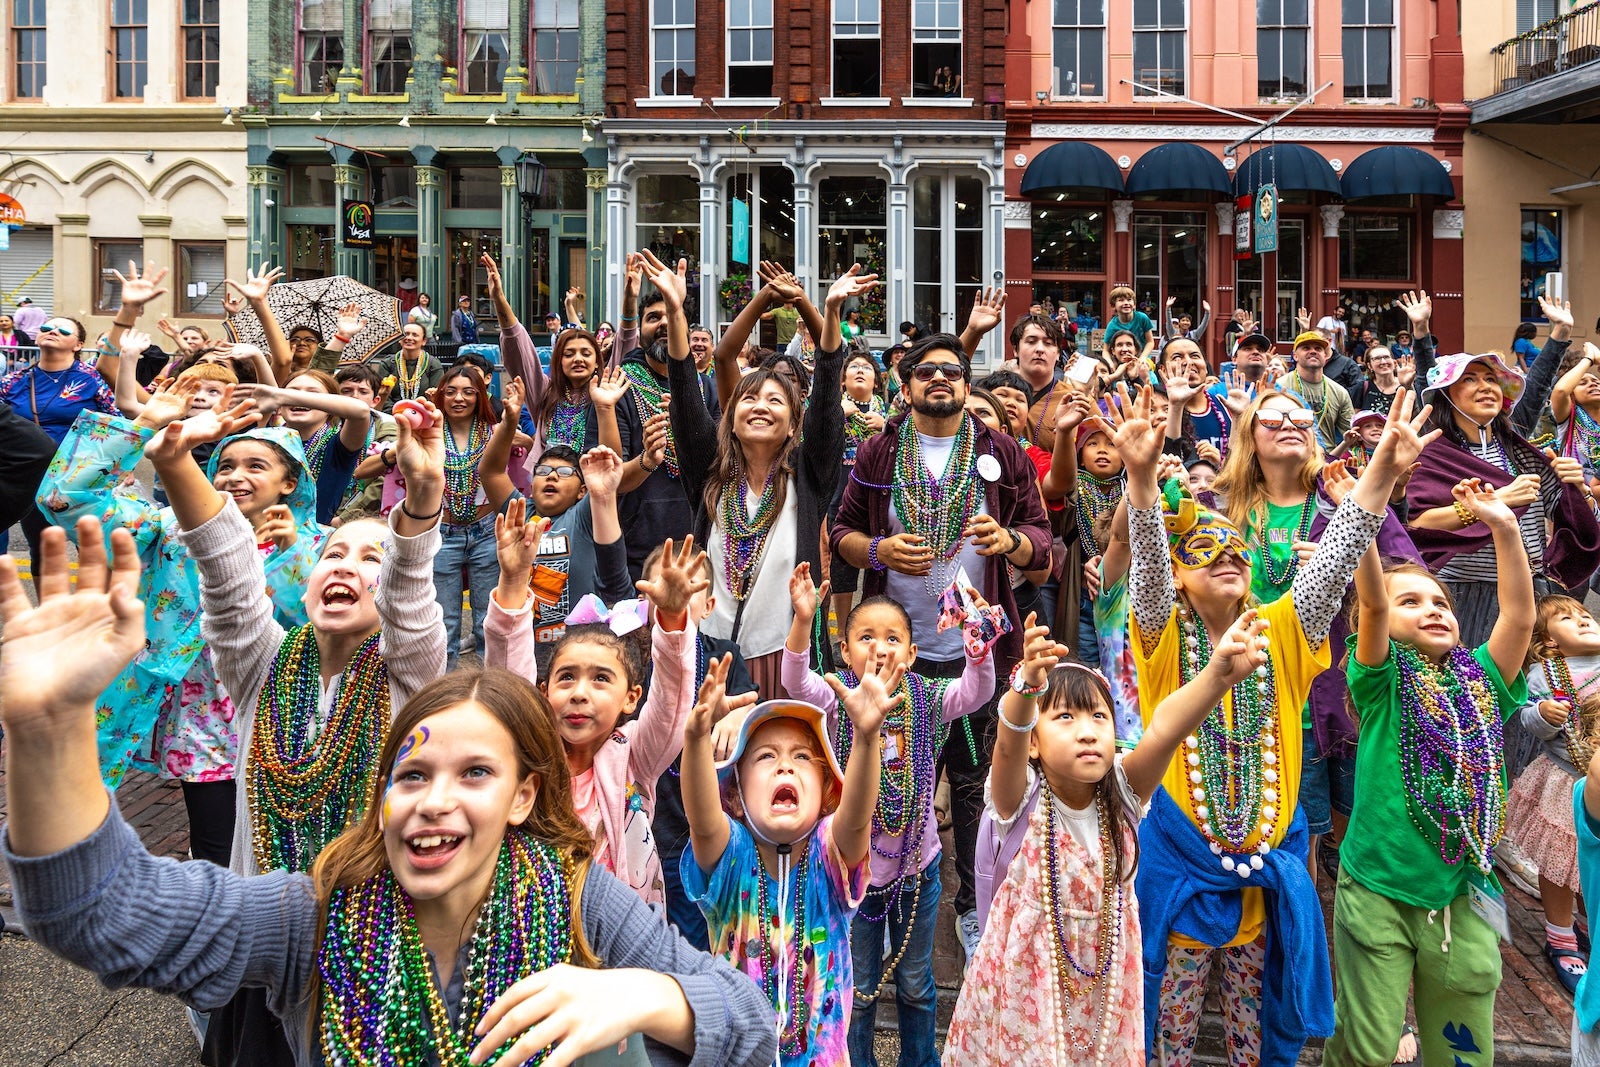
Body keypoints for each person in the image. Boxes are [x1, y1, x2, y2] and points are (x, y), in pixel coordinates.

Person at [0, 525, 780, 1067]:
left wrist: (643, 994)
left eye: (475, 772)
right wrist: (46, 730)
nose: (434, 798)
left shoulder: (581, 899)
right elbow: (103, 913)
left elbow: (751, 1027)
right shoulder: (308, 914)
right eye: (412, 773)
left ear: (521, 797)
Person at [1120, 383, 1431, 1067]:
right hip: (1181, 889)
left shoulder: (1281, 631)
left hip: (1262, 896)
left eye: (1237, 547)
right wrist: (1142, 479)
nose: (1229, 554)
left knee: (1260, 1047)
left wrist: (1378, 473)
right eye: (1205, 549)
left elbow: (1334, 562)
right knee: (1165, 1047)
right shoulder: (1162, 639)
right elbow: (1145, 572)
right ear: (1180, 578)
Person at [945, 607, 1271, 1065]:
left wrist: (1217, 677)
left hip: (1106, 988)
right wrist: (1026, 690)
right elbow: (1008, 742)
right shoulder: (1019, 800)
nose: (1087, 732)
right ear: (1035, 743)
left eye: (1099, 716)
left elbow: (1164, 729)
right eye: (1064, 718)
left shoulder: (1122, 796)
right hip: (1026, 988)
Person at [831, 331, 1053, 964]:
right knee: (891, 777)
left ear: (964, 383)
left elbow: (1043, 539)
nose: (939, 381)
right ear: (906, 386)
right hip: (895, 658)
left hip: (977, 654)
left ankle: (972, 909)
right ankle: (877, 896)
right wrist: (878, 550)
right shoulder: (878, 453)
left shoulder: (1000, 451)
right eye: (925, 371)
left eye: (951, 372)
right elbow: (842, 529)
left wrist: (1009, 542)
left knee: (977, 781)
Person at [36, 378, 322, 863]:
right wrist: (143, 424)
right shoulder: (168, 529)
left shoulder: (317, 544)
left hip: (268, 715)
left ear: (289, 483)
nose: (235, 476)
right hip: (185, 713)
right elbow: (66, 500)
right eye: (224, 465)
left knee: (258, 845)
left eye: (256, 466)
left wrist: (292, 553)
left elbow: (321, 622)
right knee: (198, 842)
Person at [1327, 480, 1534, 1067]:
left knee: (1465, 1047)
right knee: (1367, 1049)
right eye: (1410, 602)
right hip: (1379, 890)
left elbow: (1518, 617)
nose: (1433, 610)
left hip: (1461, 892)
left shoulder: (1483, 681)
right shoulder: (1381, 681)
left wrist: (1505, 529)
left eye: (1440, 602)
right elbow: (1369, 603)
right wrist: (1364, 520)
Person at [782, 572, 995, 1065]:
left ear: (913, 654)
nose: (880, 647)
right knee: (855, 987)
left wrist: (976, 645)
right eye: (866, 637)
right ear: (844, 651)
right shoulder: (837, 699)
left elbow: (976, 693)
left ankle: (919, 1060)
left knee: (917, 985)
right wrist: (802, 620)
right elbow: (796, 679)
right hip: (852, 877)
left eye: (893, 638)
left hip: (917, 874)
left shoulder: (927, 697)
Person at [680, 666, 898, 1067]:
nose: (785, 766)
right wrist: (695, 741)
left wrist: (867, 740)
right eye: (765, 757)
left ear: (828, 791)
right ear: (734, 796)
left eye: (802, 757)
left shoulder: (828, 858)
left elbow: (856, 819)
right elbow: (701, 818)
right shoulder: (733, 861)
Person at [668, 252, 861, 699]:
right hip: (710, 652)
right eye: (749, 400)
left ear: (794, 423)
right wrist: (678, 313)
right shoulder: (711, 476)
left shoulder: (808, 476)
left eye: (775, 401)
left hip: (787, 654)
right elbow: (684, 390)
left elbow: (829, 387)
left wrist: (824, 310)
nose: (759, 406)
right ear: (731, 416)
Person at [486, 533, 709, 907]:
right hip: (541, 926)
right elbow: (508, 688)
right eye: (566, 677)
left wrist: (671, 623)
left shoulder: (635, 754)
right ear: (543, 692)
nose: (579, 692)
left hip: (621, 938)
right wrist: (512, 582)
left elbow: (671, 700)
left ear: (631, 698)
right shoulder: (531, 753)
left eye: (601, 679)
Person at [1510, 595, 1600, 995]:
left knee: (1592, 865)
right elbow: (1527, 717)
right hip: (1564, 783)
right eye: (1567, 618)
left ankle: (1589, 927)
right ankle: (1560, 935)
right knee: (1561, 864)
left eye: (1585, 615)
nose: (1583, 620)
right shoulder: (1546, 673)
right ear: (1550, 643)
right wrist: (1543, 713)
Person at [482, 439, 633, 671]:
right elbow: (490, 471)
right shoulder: (519, 512)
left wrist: (604, 410)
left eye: (564, 472)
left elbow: (605, 486)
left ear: (582, 491)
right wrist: (510, 418)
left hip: (577, 652)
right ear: (531, 484)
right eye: (543, 472)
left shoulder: (582, 515)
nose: (551, 477)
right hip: (525, 654)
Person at [0, 313, 118, 581]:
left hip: (80, 479)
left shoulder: (91, 379)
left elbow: (116, 424)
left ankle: (92, 615)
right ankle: (47, 616)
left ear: (78, 345)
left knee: (90, 550)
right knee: (42, 549)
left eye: (63, 331)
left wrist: (120, 469)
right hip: (33, 480)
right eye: (46, 327)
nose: (52, 331)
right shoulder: (13, 381)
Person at [1281, 330, 1354, 452]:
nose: (1313, 351)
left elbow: (1349, 434)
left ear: (1325, 356)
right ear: (1295, 356)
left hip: (1328, 457)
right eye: (1306, 348)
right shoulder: (1281, 386)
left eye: (1318, 348)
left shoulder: (1340, 392)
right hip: (1291, 454)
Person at [365, 320, 444, 410]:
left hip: (423, 414)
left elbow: (436, 395)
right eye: (406, 334)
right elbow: (381, 395)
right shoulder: (388, 363)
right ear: (399, 339)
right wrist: (397, 413)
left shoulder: (433, 364)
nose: (409, 338)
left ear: (424, 341)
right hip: (392, 416)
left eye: (415, 335)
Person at [1103, 286, 1156, 361]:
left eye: (1129, 300)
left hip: (1142, 358)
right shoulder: (1112, 326)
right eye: (1121, 300)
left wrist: (1143, 357)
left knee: (1144, 370)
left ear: (1134, 304)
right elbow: (1105, 350)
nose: (1126, 303)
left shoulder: (1142, 318)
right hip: (1122, 360)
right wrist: (1110, 363)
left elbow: (1150, 342)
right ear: (1113, 306)